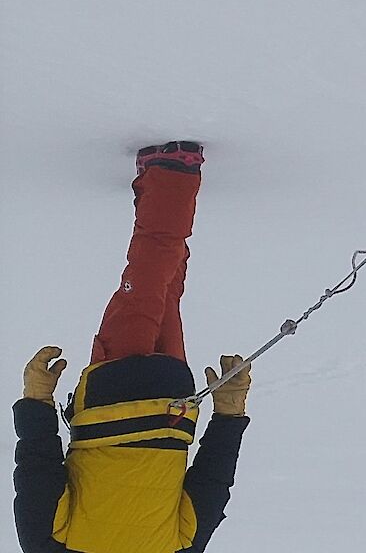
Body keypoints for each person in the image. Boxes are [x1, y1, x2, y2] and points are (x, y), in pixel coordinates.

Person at [14, 141, 254, 553]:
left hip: (174, 403)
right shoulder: (49, 547)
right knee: (147, 278)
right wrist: (36, 399)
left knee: (162, 288)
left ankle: (161, 193)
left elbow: (212, 486)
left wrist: (229, 413)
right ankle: (173, 174)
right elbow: (37, 469)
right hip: (113, 394)